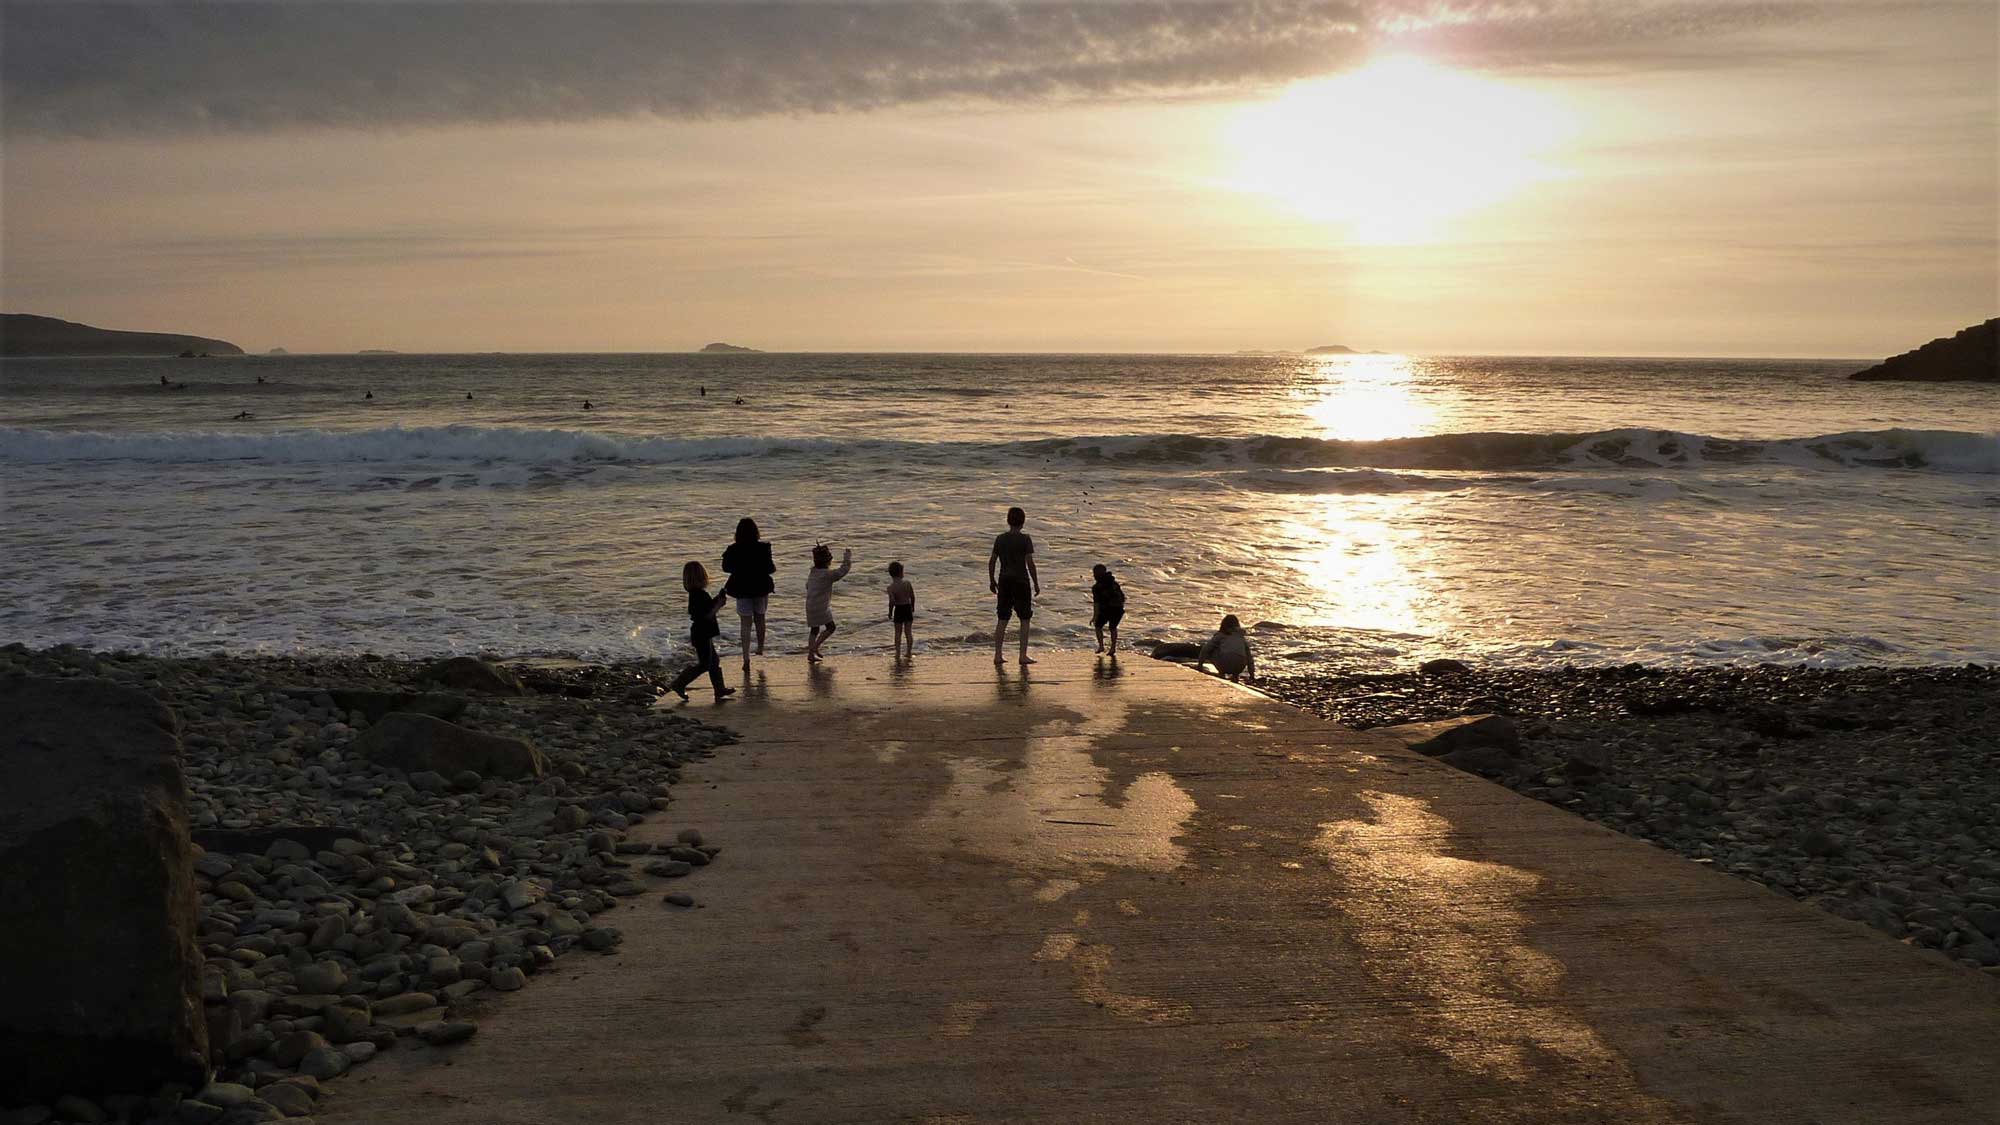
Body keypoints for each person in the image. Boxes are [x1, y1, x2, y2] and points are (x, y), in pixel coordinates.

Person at [669, 561, 735, 702]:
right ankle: (679, 683)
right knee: (705, 664)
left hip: (702, 632)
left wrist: (718, 599)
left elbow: (707, 608)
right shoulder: (698, 595)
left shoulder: (697, 594)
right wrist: (718, 606)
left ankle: (719, 689)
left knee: (714, 661)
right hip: (702, 633)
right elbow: (706, 615)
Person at [721, 517, 776, 672]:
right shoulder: (764, 548)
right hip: (760, 587)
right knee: (760, 618)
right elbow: (770, 568)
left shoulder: (733, 549)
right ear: (756, 532)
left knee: (745, 624)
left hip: (742, 589)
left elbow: (725, 568)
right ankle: (760, 647)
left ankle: (746, 658)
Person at [989, 506, 1039, 666]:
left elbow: (992, 561)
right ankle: (1022, 655)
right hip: (1021, 581)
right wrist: (1036, 582)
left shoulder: (1000, 539)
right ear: (1023, 522)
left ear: (1008, 521)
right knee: (1024, 619)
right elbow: (1029, 562)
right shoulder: (1025, 539)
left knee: (1002, 618)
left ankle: (998, 655)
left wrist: (991, 580)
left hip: (1004, 580)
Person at [804, 544, 851, 663]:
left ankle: (811, 653)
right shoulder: (827, 575)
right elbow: (842, 571)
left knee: (814, 629)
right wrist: (847, 558)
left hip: (810, 605)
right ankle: (815, 648)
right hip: (821, 607)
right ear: (828, 561)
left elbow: (807, 586)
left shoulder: (812, 572)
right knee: (831, 627)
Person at [1197, 614, 1256, 682]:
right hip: (1239, 667)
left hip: (1224, 664)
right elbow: (1249, 657)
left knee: (1213, 649)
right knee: (1241, 654)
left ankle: (1221, 673)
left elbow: (1206, 648)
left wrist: (1200, 664)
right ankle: (1235, 676)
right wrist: (1252, 675)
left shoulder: (1221, 635)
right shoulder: (1241, 637)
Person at [1090, 564, 1125, 654]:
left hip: (1106, 609)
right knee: (1113, 628)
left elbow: (1096, 602)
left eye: (1094, 573)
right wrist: (1121, 606)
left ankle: (1101, 646)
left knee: (1098, 626)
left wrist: (1095, 616)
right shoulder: (1114, 583)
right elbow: (1122, 596)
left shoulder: (1097, 587)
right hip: (1118, 609)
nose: (1093, 575)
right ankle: (1112, 648)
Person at [886, 561, 916, 661]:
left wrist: (890, 612)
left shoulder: (891, 587)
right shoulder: (907, 583)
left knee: (898, 633)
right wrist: (912, 606)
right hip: (907, 607)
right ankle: (909, 651)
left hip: (898, 609)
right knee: (908, 632)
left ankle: (898, 652)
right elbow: (912, 596)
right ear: (901, 573)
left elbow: (892, 602)